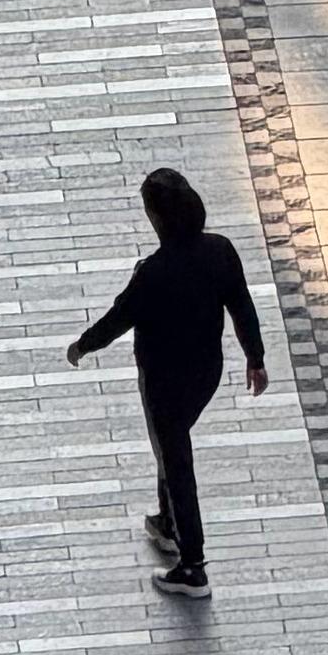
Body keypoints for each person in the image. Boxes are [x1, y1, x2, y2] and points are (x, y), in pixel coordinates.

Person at [66, 162, 266, 598]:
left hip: (162, 382)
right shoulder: (221, 250)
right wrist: (255, 357)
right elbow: (242, 305)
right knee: (171, 445)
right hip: (205, 373)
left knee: (176, 460)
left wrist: (82, 346)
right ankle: (166, 520)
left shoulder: (154, 272)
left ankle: (192, 565)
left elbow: (119, 318)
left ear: (157, 217)